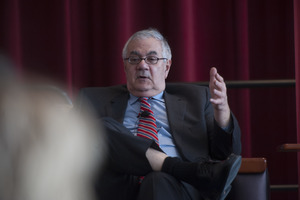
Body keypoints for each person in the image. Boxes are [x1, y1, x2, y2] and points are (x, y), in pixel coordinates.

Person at [77, 28, 242, 200]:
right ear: (125, 66)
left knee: (157, 180)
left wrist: (222, 110)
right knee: (96, 127)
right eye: (134, 59)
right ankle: (176, 167)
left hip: (177, 189)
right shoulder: (92, 99)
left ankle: (171, 170)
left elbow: (226, 153)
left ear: (167, 67)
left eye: (152, 59)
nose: (142, 65)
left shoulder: (196, 99)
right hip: (117, 189)